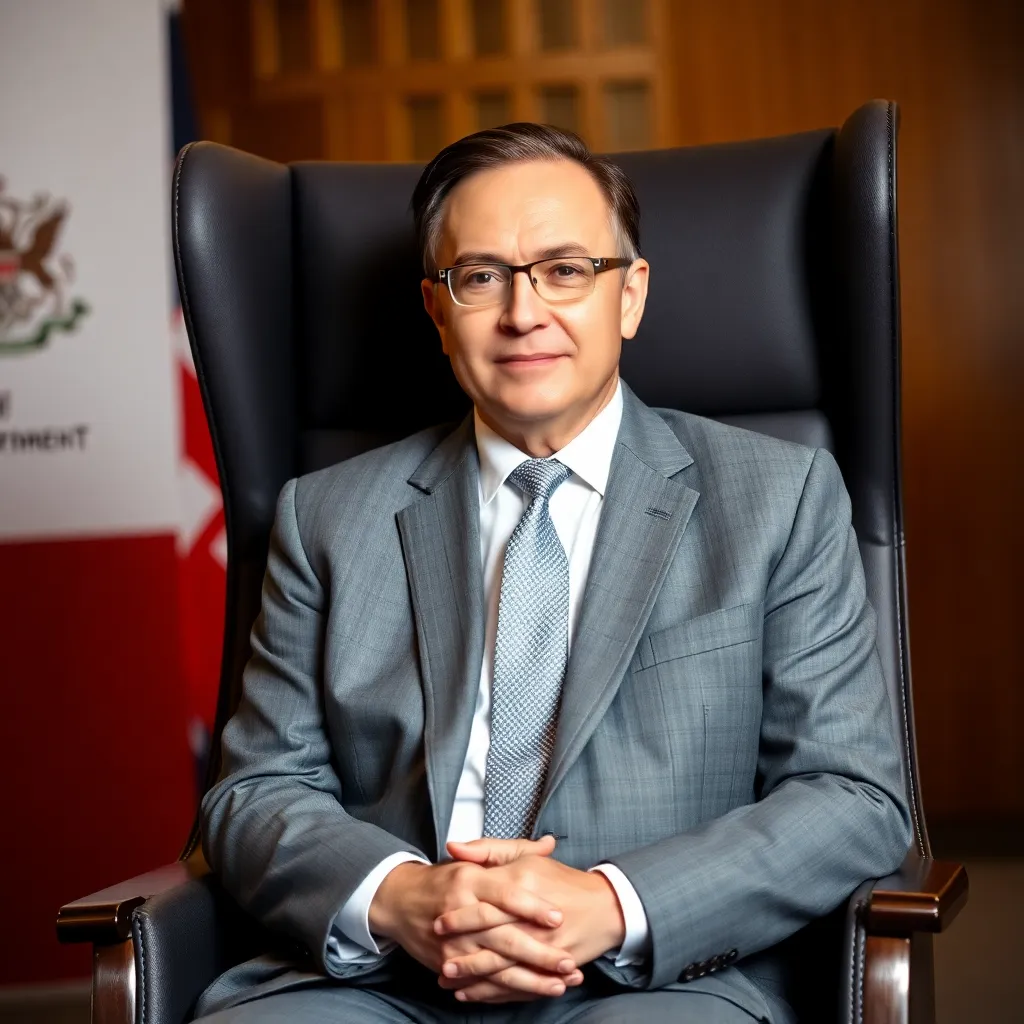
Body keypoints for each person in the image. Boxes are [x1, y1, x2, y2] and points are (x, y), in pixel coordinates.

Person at [194, 124, 912, 1024]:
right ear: (435, 308)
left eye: (567, 270)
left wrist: (611, 905)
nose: (523, 312)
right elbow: (255, 792)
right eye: (481, 275)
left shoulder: (781, 496)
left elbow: (853, 795)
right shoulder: (326, 515)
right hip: (378, 980)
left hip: (656, 977)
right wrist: (403, 897)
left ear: (631, 296)